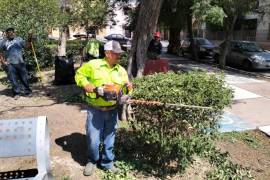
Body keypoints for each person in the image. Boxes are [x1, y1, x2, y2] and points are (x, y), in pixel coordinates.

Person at [75, 40, 132, 176]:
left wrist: (127, 94)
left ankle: (107, 163)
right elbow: (79, 75)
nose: (119, 56)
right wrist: (88, 85)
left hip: (112, 111)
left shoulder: (121, 70)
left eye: (119, 53)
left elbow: (127, 87)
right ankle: (92, 161)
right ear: (107, 53)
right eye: (116, 53)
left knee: (109, 138)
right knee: (93, 139)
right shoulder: (93, 65)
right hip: (95, 110)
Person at [0, 28, 32, 98]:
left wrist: (29, 38)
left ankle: (27, 92)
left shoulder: (19, 39)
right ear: (6, 34)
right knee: (13, 79)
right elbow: (0, 52)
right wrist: (3, 61)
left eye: (12, 32)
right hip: (10, 64)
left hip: (20, 62)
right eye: (9, 33)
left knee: (24, 78)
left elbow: (27, 47)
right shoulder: (3, 42)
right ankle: (16, 93)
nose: (11, 34)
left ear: (14, 33)